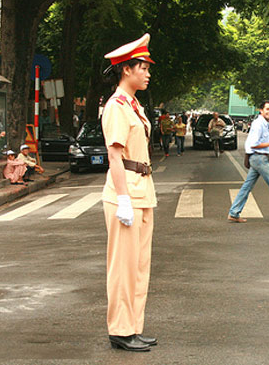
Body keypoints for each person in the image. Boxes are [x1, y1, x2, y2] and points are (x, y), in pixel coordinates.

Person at [100, 33, 158, 352]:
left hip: (142, 192)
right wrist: (122, 198)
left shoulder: (134, 104)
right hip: (126, 194)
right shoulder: (117, 106)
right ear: (127, 70)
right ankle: (120, 330)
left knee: (139, 266)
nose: (148, 73)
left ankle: (134, 326)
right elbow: (115, 156)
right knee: (122, 267)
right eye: (143, 67)